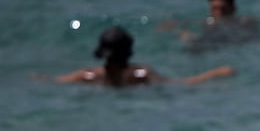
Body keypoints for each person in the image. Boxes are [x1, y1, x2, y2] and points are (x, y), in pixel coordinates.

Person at [53, 25, 234, 86]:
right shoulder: (140, 75)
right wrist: (215, 74)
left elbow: (55, 81)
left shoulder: (89, 76)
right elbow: (179, 84)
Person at [176, 0, 260, 52]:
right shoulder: (207, 21)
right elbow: (182, 23)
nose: (219, 12)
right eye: (214, 8)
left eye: (223, 8)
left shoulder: (245, 20)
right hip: (216, 42)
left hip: (243, 41)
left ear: (233, 8)